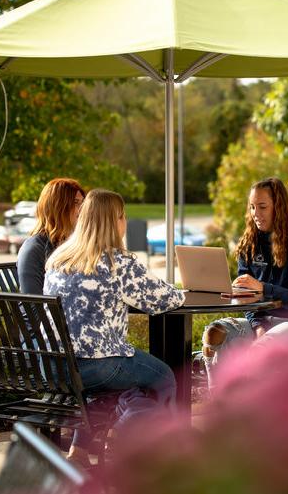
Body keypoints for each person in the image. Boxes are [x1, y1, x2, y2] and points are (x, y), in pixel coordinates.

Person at [44, 188, 185, 466]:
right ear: (113, 221)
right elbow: (164, 300)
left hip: (54, 365)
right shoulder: (117, 262)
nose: (125, 222)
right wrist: (182, 291)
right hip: (95, 365)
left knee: (121, 383)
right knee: (164, 378)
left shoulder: (59, 259)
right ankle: (128, 440)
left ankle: (79, 453)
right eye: (122, 216)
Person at [202, 177, 288, 384]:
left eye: (262, 206)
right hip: (264, 323)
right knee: (214, 334)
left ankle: (252, 411)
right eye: (252, 207)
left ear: (279, 207)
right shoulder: (250, 243)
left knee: (259, 352)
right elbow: (244, 297)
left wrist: (262, 287)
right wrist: (257, 325)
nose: (256, 213)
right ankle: (220, 404)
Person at [17, 178, 86, 295]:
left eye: (83, 203)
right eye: (76, 203)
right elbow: (33, 302)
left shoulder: (74, 244)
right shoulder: (34, 248)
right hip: (45, 312)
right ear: (58, 207)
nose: (83, 209)